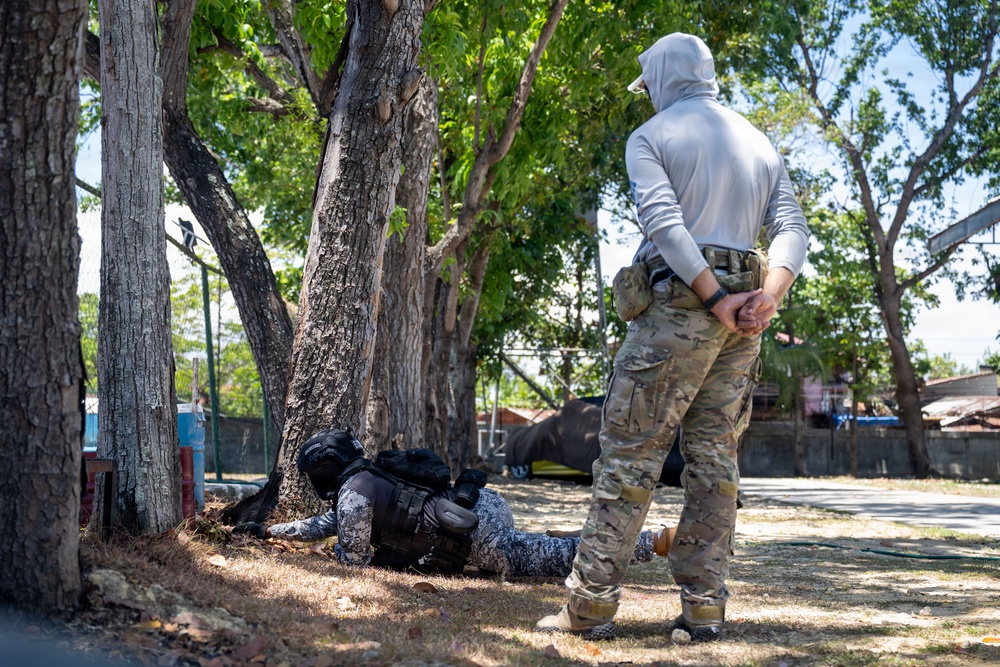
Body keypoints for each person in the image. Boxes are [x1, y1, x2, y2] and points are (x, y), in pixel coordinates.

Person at [536, 33, 809, 641]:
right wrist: (766, 296)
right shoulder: (759, 142)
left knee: (631, 453)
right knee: (715, 460)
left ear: (661, 77)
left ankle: (589, 608)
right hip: (746, 311)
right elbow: (792, 227)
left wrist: (713, 297)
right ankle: (705, 608)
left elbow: (664, 224)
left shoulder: (651, 137)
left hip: (684, 306)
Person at [233, 428, 675, 579]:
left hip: (474, 536)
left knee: (557, 563)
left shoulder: (354, 494)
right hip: (479, 503)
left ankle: (655, 541)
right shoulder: (365, 480)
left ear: (323, 471)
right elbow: (328, 521)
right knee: (539, 546)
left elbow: (353, 559)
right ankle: (575, 537)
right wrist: (271, 532)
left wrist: (330, 552)